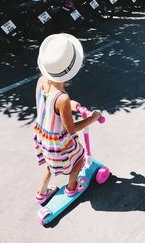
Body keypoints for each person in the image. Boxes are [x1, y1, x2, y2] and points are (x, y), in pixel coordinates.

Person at [33, 33, 101, 205]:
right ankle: (72, 187)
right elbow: (70, 129)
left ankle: (42, 193)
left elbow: (51, 104)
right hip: (58, 144)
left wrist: (71, 104)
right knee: (79, 158)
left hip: (43, 137)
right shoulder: (62, 98)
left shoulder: (42, 81)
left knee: (49, 164)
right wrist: (93, 118)